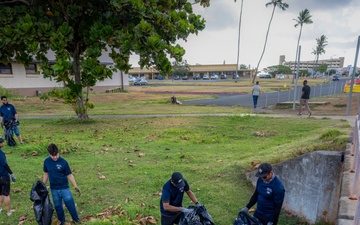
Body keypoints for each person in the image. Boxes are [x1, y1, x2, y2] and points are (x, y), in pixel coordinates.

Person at [43, 143, 81, 224]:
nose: (55, 157)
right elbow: (46, 173)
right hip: (54, 188)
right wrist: (43, 184)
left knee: (70, 204)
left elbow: (69, 175)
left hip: (64, 187)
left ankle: (76, 219)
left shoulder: (64, 162)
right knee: (58, 206)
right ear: (49, 154)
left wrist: (75, 186)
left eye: (56, 154)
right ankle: (61, 222)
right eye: (53, 155)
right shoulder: (46, 162)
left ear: (58, 152)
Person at [0, 136, 16, 216]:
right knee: (6, 194)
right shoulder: (0, 153)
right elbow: (5, 164)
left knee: (0, 193)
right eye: (1, 142)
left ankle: (0, 208)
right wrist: (11, 173)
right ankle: (9, 212)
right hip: (3, 176)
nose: (3, 143)